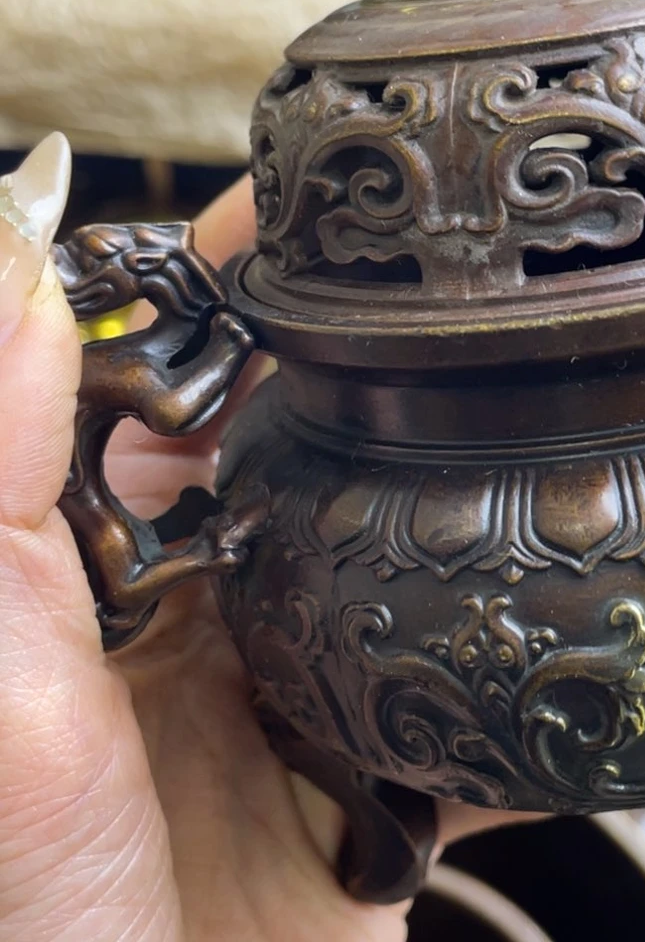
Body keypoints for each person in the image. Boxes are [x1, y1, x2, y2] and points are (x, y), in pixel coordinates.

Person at [0, 135, 512, 941]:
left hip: (238, 834)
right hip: (107, 540)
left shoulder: (123, 352)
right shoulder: (100, 368)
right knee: (121, 559)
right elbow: (176, 407)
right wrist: (245, 335)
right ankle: (201, 553)